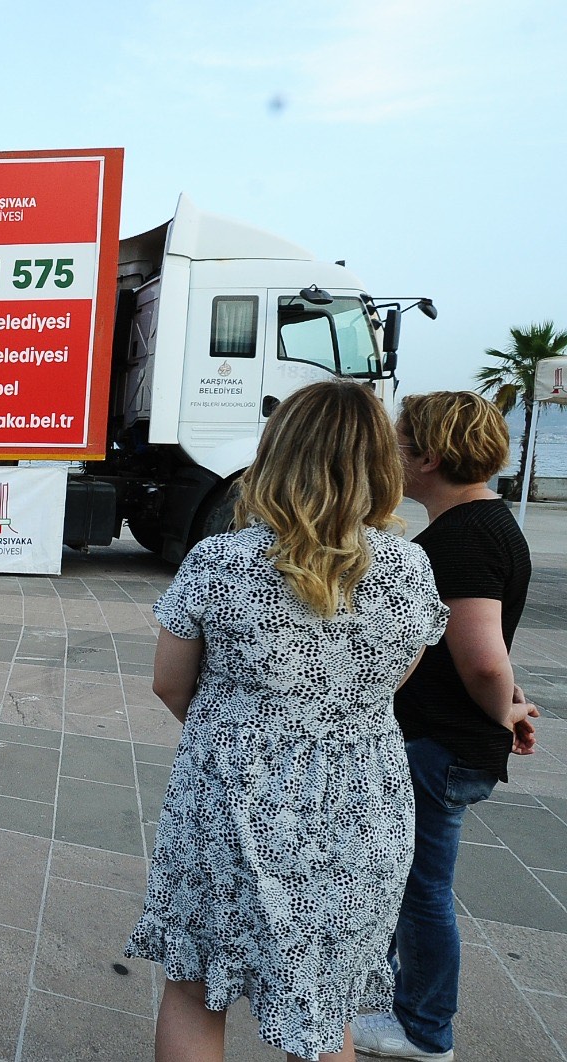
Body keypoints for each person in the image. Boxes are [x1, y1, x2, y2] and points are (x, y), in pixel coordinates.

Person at [124, 379, 450, 1062]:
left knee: (193, 985)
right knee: (326, 1007)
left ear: (277, 452)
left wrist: (237, 727)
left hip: (231, 797)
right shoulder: (412, 569)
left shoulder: (220, 561)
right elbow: (392, 684)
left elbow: (168, 685)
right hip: (363, 810)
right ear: (380, 464)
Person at [351, 392, 539, 1062]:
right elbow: (489, 644)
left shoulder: (460, 537)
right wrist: (506, 697)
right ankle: (397, 1002)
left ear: (427, 457)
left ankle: (424, 1030)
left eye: (399, 446)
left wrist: (504, 707)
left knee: (419, 888)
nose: (392, 458)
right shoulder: (492, 524)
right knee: (412, 880)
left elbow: (482, 655)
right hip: (452, 740)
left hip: (439, 743)